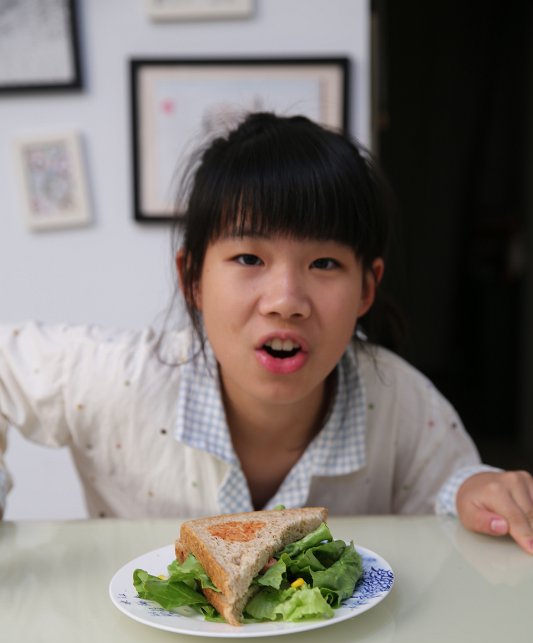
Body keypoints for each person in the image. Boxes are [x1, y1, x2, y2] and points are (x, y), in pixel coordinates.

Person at [1, 112, 532, 554]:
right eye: (249, 258)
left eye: (324, 263)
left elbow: (455, 490)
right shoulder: (122, 380)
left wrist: (480, 490)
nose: (285, 301)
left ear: (367, 289)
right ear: (193, 279)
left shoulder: (401, 403)